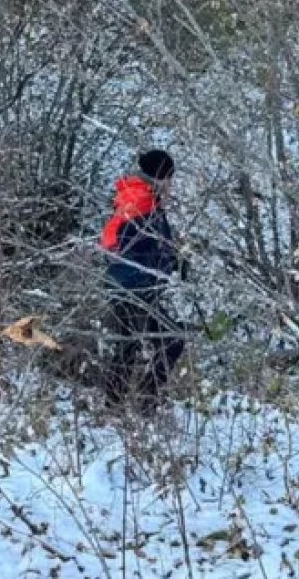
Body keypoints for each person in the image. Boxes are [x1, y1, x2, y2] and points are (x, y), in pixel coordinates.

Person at [98, 149, 186, 407]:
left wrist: (174, 261)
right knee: (171, 340)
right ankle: (144, 406)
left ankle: (116, 405)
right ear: (160, 178)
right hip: (134, 285)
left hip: (124, 283)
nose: (171, 185)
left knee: (129, 344)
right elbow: (134, 247)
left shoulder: (135, 196)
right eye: (169, 178)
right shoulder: (143, 202)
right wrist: (168, 261)